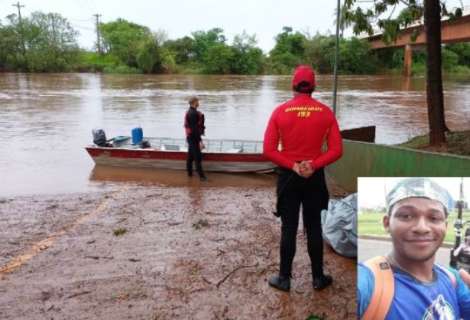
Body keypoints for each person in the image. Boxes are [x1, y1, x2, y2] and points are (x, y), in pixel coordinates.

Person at [263, 65, 343, 292]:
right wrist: (313, 164)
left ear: (293, 86)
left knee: (288, 227)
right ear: (314, 87)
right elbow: (337, 150)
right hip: (314, 177)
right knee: (314, 226)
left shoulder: (280, 111)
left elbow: (268, 150)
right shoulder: (325, 112)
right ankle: (318, 278)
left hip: (289, 177)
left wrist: (293, 166)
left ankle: (284, 278)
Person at [358, 178, 470, 320]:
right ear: (387, 223)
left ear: (445, 226)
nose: (422, 228)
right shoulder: (368, 283)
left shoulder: (453, 278)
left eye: (434, 218)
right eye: (406, 216)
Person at [184, 96, 207, 181]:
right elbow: (194, 129)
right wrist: (200, 142)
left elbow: (194, 129)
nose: (199, 103)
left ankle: (189, 174)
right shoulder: (193, 114)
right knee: (197, 157)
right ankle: (202, 177)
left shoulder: (190, 112)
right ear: (194, 102)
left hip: (190, 137)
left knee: (190, 156)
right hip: (193, 137)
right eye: (197, 101)